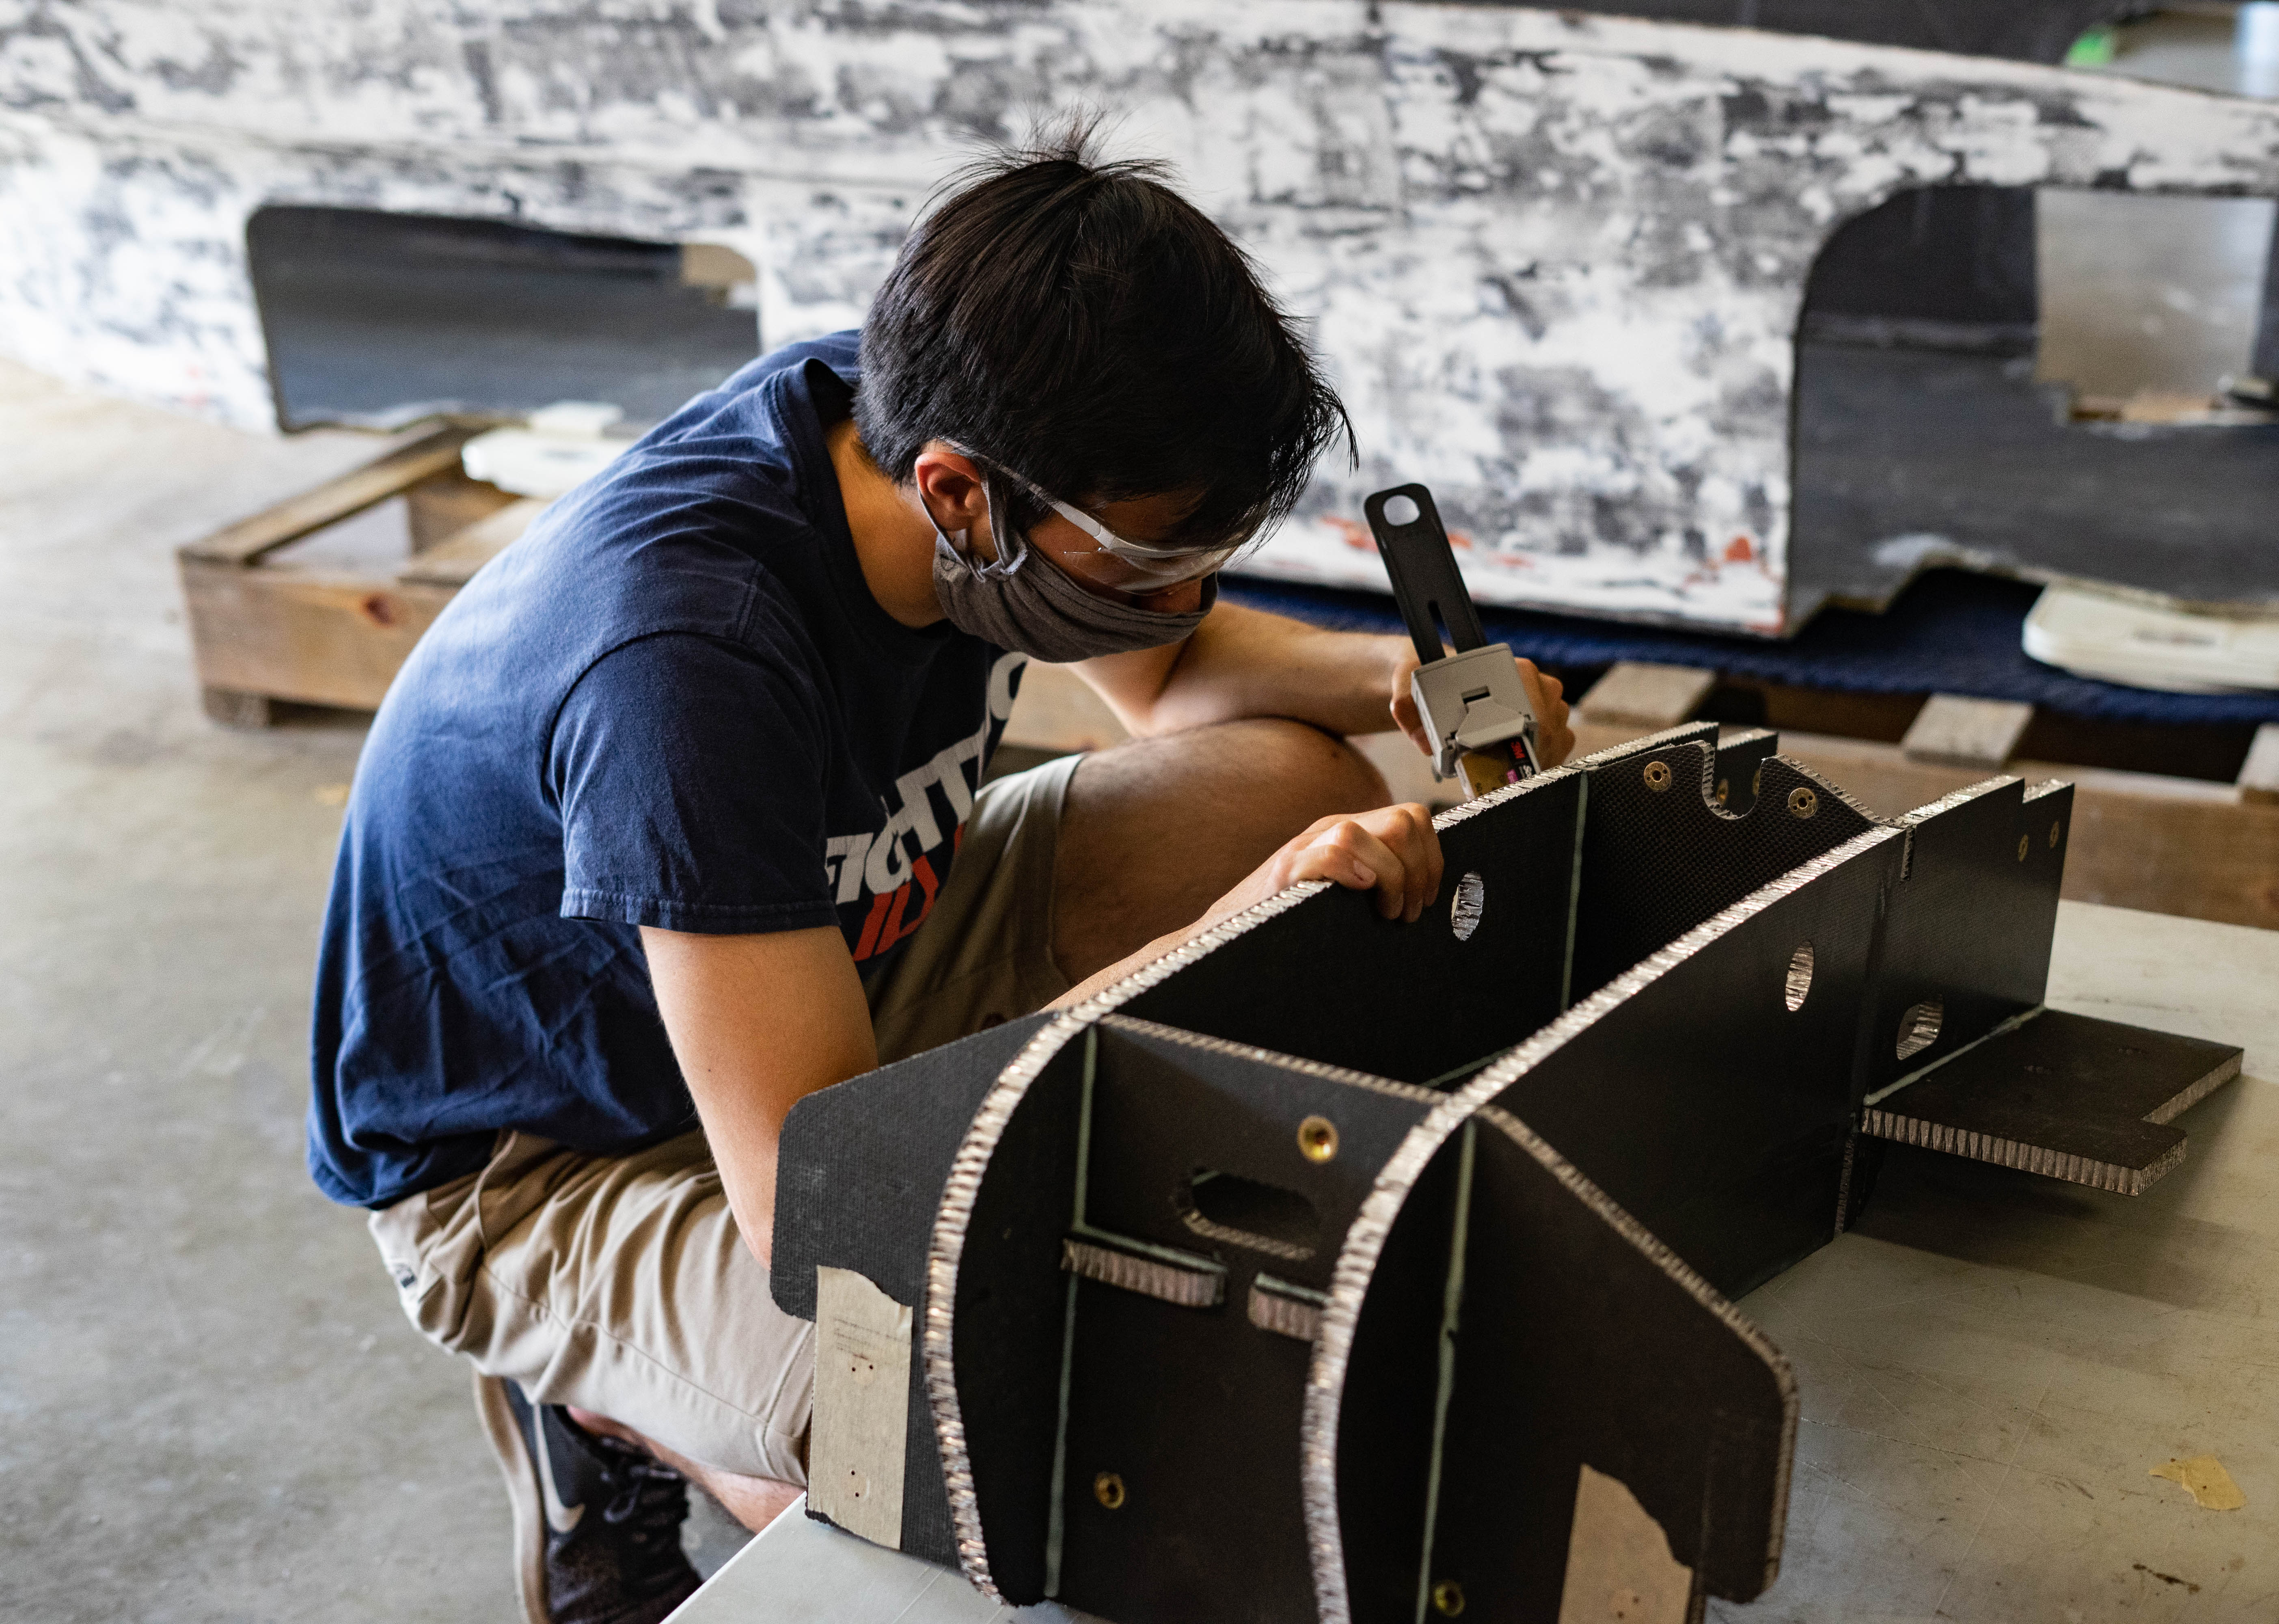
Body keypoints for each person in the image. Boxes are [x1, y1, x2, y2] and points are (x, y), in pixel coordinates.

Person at [308, 124, 1573, 1624]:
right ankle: (608, 1413)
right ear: (962, 497)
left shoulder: (939, 402)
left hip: (839, 950)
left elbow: (1172, 683)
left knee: (1283, 785)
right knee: (920, 1414)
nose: (1187, 601)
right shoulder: (688, 664)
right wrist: (1230, 940)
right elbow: (824, 1201)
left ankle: (824, 1360)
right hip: (561, 1159)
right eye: (1154, 564)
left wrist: (1394, 686)